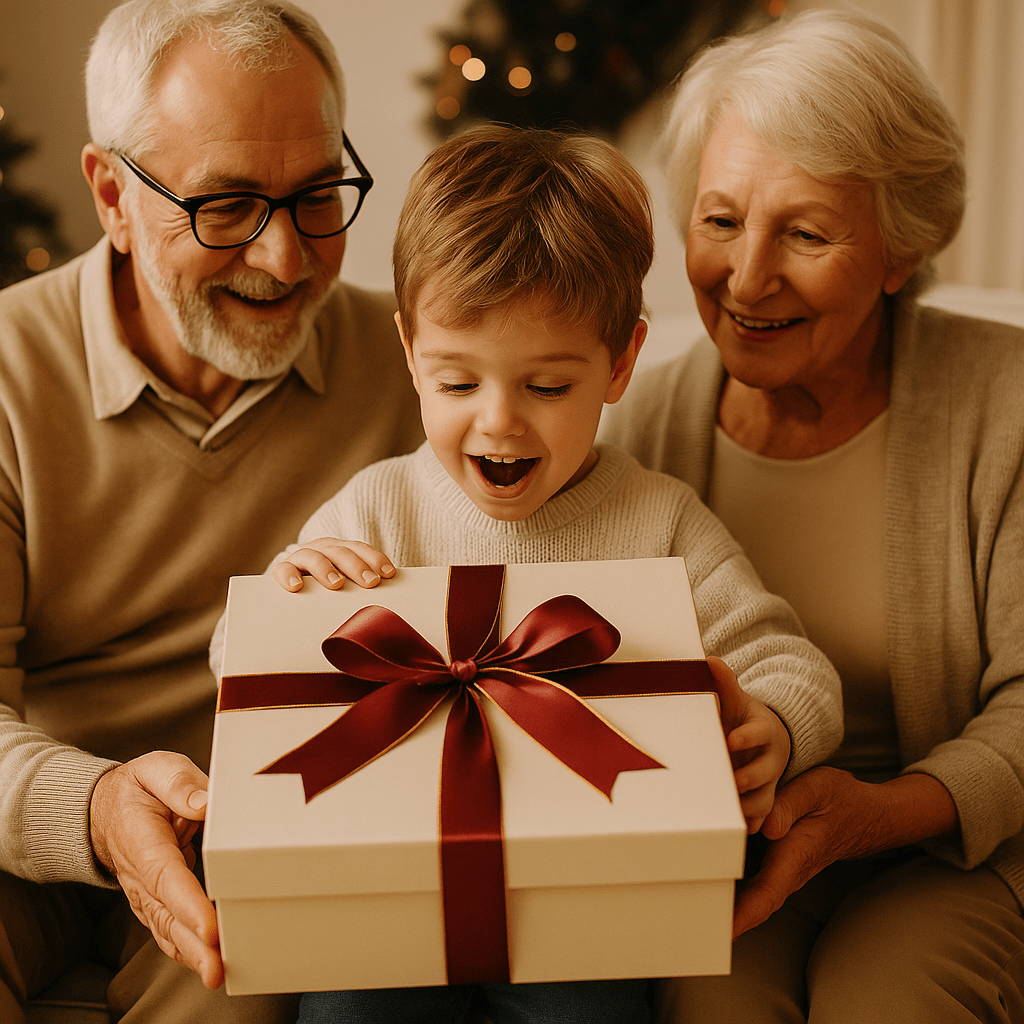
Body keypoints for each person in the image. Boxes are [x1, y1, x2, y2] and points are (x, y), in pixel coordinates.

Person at [225, 123, 844, 1024]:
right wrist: (293, 585)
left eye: (548, 388)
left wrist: (775, 727)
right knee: (345, 1005)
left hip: (585, 895)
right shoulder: (374, 511)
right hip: (387, 886)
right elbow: (240, 672)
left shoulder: (657, 520)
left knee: (587, 1005)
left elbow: (789, 661)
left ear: (621, 362)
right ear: (409, 353)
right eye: (458, 383)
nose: (500, 423)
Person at [0, 1, 423, 1021]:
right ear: (110, 195)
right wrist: (99, 807)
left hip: (276, 842)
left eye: (318, 194)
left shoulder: (421, 370)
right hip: (33, 834)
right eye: (226, 206)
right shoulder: (9, 374)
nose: (285, 260)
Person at [600, 9, 1024, 1022]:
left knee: (883, 1002)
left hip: (958, 842)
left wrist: (871, 813)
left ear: (897, 247)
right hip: (742, 853)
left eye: (804, 231)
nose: (746, 277)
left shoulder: (1004, 406)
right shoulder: (644, 425)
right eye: (719, 219)